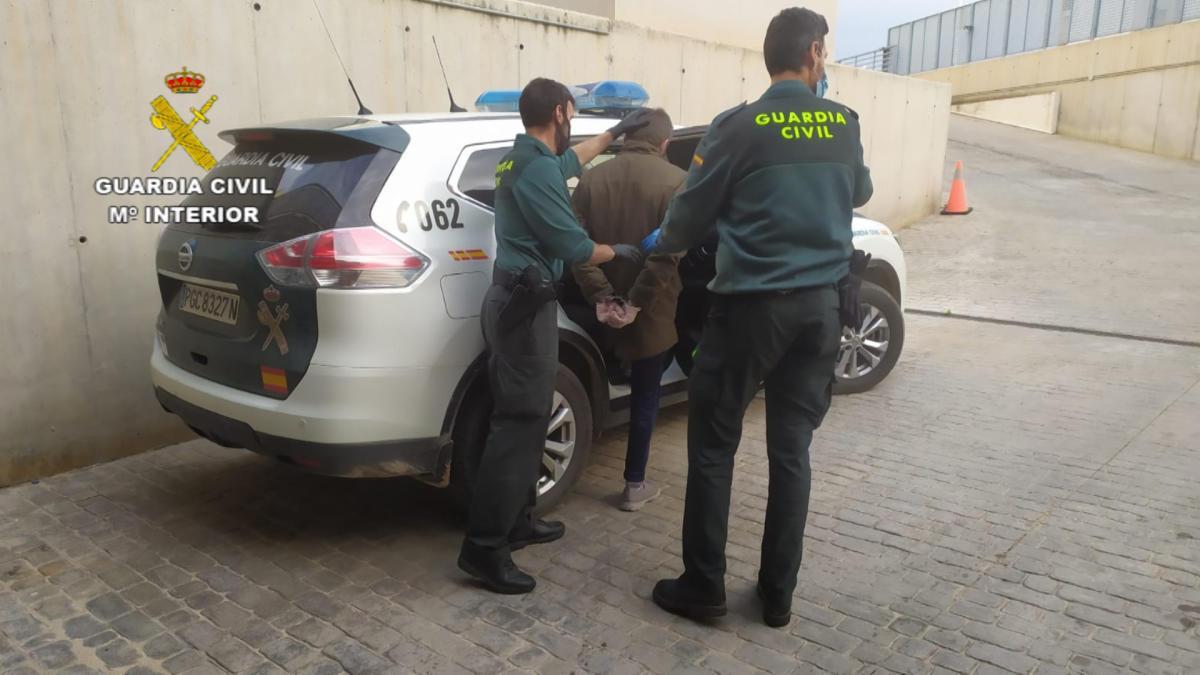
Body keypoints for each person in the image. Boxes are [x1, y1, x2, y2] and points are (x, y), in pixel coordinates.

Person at [642, 7, 873, 628]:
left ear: (770, 57)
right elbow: (860, 193)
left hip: (750, 312)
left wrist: (661, 239)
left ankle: (704, 586)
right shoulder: (844, 125)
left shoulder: (737, 127)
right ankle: (777, 596)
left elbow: (686, 223)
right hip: (820, 311)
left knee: (715, 444)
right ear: (816, 53)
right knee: (792, 451)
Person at [458, 78, 649, 595]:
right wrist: (621, 252)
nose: (574, 121)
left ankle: (519, 520)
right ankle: (484, 548)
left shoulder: (517, 158)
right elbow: (572, 243)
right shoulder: (536, 169)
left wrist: (611, 134)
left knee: (530, 416)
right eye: (573, 112)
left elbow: (569, 163)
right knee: (518, 425)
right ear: (561, 113)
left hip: (516, 301)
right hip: (525, 309)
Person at [571, 108, 687, 512]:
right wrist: (635, 304)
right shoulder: (678, 183)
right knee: (645, 398)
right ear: (664, 144)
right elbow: (666, 260)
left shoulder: (591, 178)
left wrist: (603, 296)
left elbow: (575, 247)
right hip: (652, 311)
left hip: (594, 310)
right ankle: (634, 486)